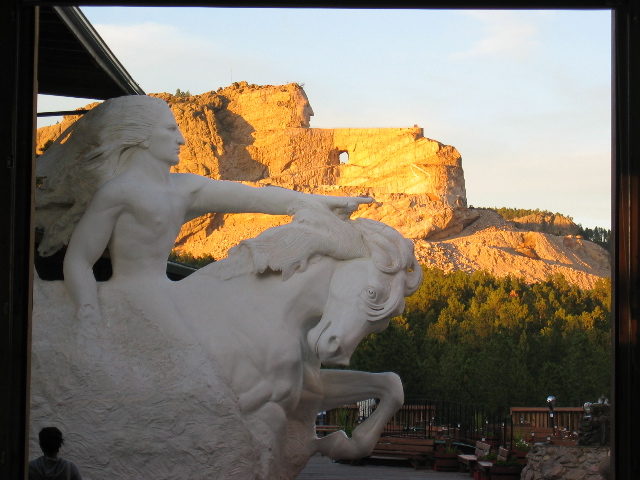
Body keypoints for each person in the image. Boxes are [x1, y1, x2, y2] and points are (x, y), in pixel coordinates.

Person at [35, 95, 371, 339]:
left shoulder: (185, 189)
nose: (181, 138)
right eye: (170, 130)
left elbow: (259, 196)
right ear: (141, 137)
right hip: (130, 301)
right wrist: (88, 314)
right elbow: (78, 261)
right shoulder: (118, 193)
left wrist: (323, 202)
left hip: (166, 296)